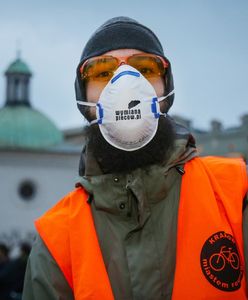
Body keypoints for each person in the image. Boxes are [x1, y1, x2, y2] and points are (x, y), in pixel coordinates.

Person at [23, 16, 248, 299]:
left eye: (145, 68)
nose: (126, 84)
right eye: (102, 72)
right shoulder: (57, 239)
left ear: (166, 90)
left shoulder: (235, 192)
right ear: (84, 98)